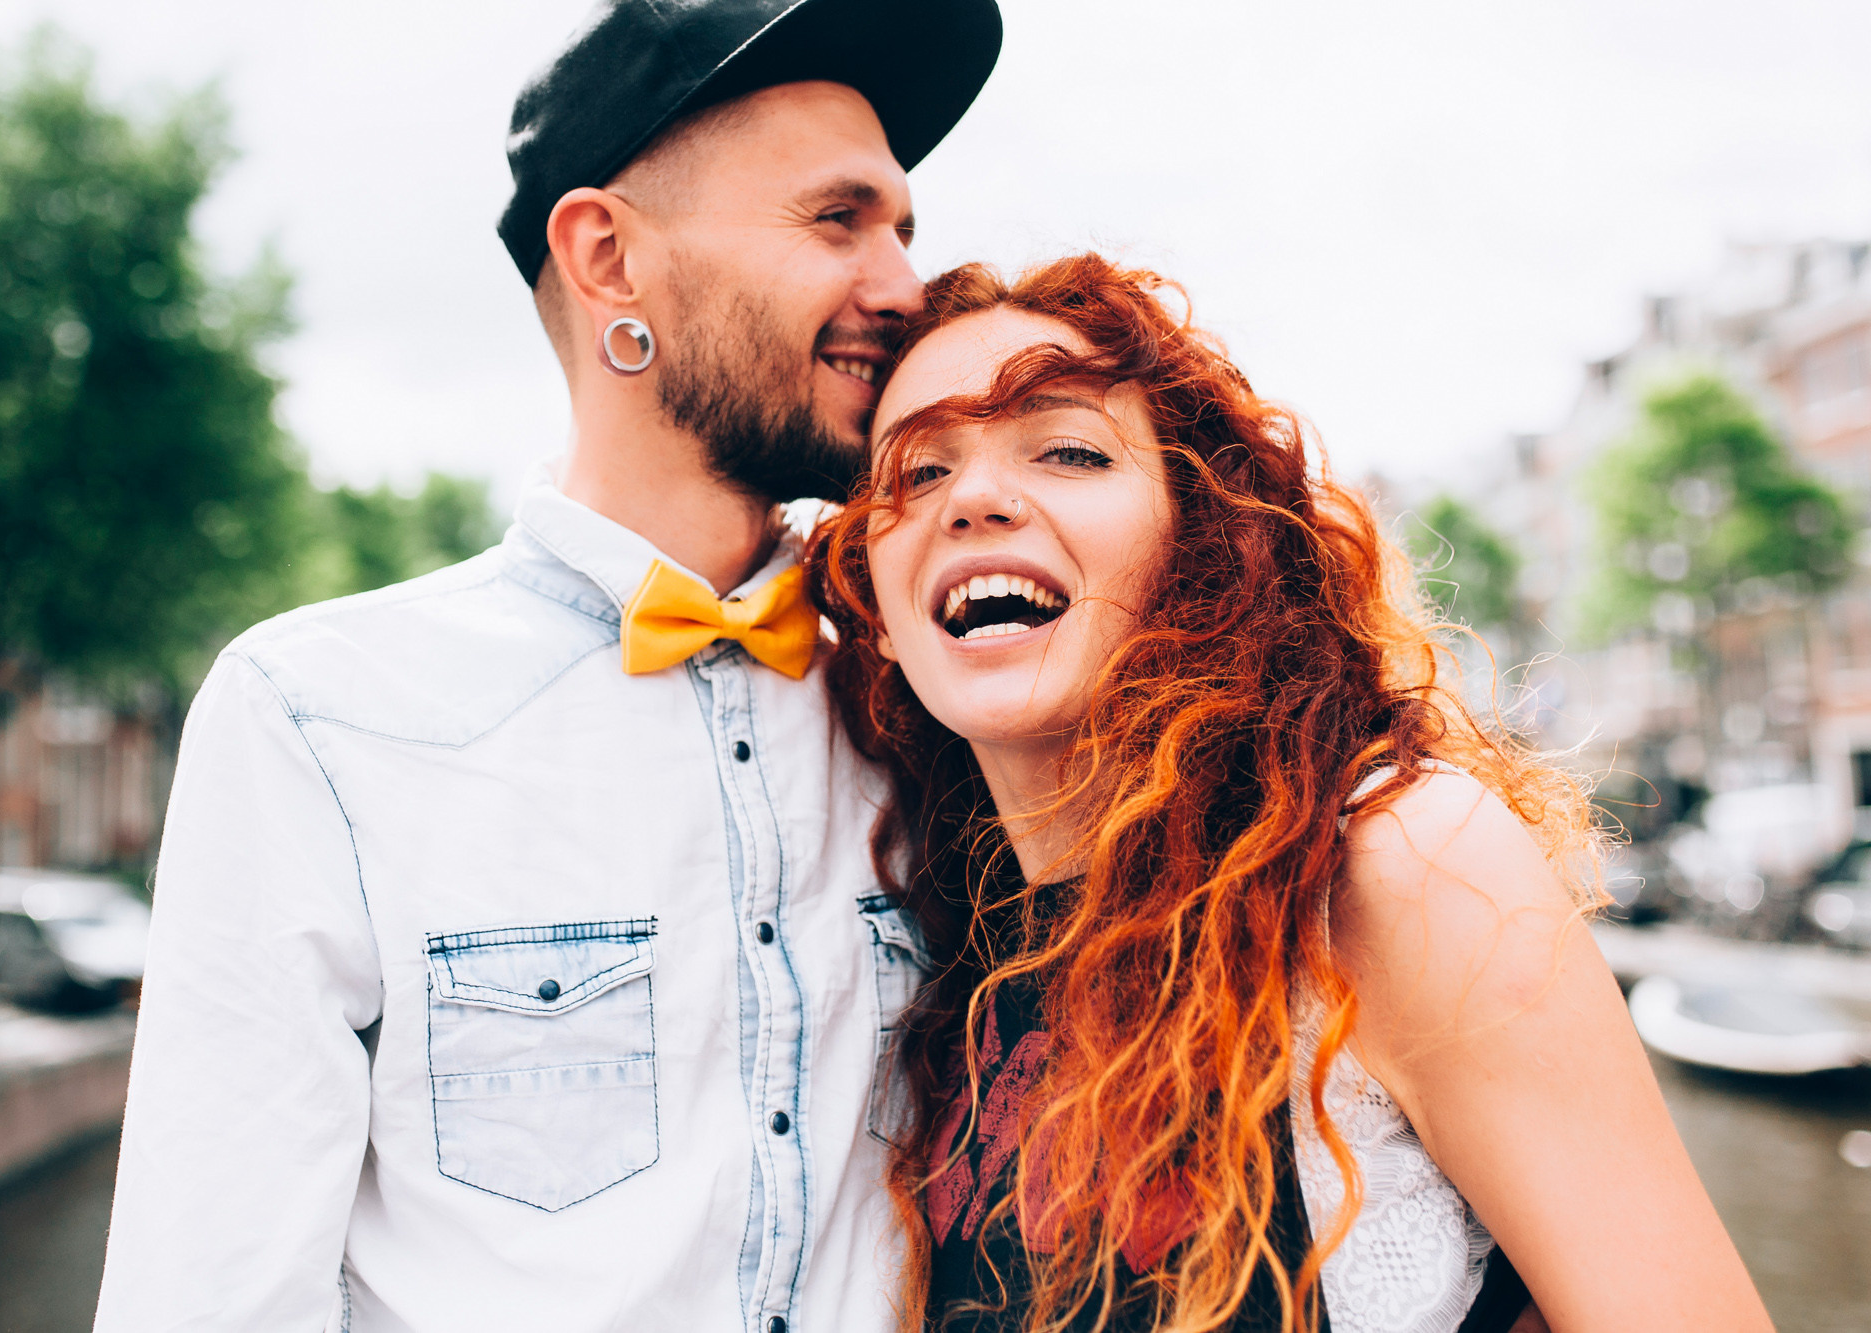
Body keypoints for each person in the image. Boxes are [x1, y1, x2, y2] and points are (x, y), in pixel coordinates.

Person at [93, 1, 1000, 1328]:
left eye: (903, 229)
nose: (904, 287)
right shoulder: (319, 719)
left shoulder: (947, 702)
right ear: (609, 259)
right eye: (837, 220)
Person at [806, 254, 1775, 1333]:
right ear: (876, 609)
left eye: (1070, 449)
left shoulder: (1394, 864)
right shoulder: (949, 957)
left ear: (1202, 547)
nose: (973, 498)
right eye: (917, 473)